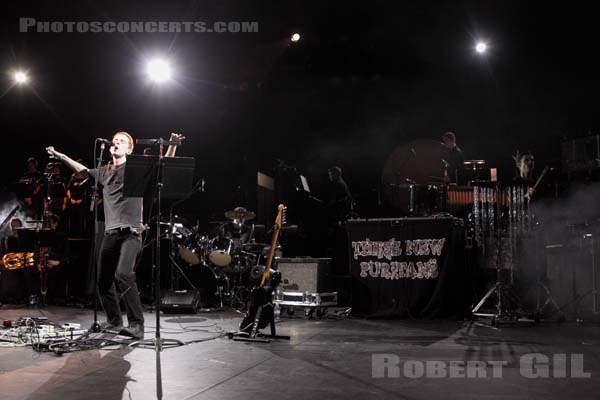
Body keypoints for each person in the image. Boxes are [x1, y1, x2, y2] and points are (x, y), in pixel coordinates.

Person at [46, 131, 184, 339]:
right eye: (115, 141)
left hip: (132, 232)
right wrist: (62, 156)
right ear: (111, 148)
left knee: (124, 273)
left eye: (122, 141)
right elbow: (82, 171)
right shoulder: (104, 171)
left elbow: (163, 164)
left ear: (129, 149)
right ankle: (114, 321)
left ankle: (137, 324)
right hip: (111, 232)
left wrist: (172, 144)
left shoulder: (136, 168)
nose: (116, 143)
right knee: (102, 281)